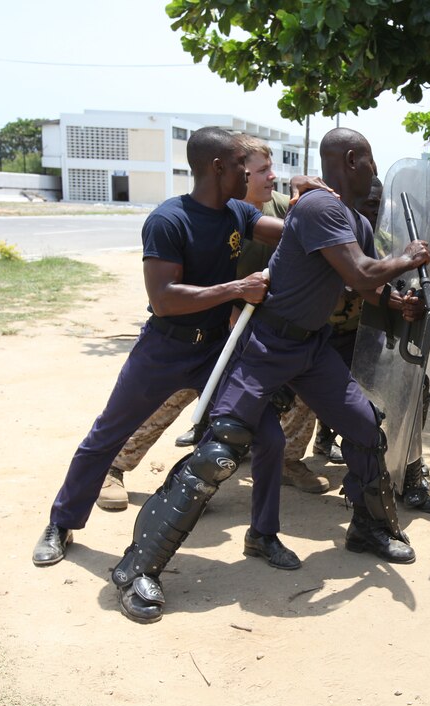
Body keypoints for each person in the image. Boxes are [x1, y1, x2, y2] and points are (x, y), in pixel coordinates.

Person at [110, 128, 430, 623]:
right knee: (220, 451)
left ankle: (370, 528)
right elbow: (366, 273)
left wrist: (399, 303)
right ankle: (138, 568)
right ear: (351, 160)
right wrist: (406, 259)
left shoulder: (351, 220)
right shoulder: (318, 208)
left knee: (365, 427)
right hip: (268, 344)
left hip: (313, 346)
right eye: (368, 161)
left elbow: (363, 287)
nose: (373, 171)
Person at [31, 127, 279, 566]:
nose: (250, 172)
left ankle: (263, 535)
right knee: (107, 435)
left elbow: (283, 232)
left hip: (215, 351)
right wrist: (239, 287)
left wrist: (316, 207)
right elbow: (164, 299)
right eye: (243, 164)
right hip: (166, 347)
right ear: (218, 167)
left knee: (268, 434)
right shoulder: (169, 220)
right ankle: (61, 522)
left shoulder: (238, 213)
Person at [96, 134, 296, 510]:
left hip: (252, 327)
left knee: (261, 401)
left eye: (271, 168)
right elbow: (179, 289)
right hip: (206, 327)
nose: (272, 177)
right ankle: (115, 466)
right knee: (170, 400)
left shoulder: (279, 209)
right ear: (235, 173)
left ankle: (218, 476)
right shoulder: (208, 214)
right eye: (261, 170)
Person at [279, 176, 430, 512]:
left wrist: (403, 302)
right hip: (321, 332)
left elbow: (387, 285)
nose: (372, 208)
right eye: (366, 201)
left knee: (409, 391)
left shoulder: (385, 237)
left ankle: (405, 466)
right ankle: (289, 460)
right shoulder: (329, 223)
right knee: (304, 403)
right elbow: (357, 277)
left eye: (377, 203)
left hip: (365, 333)